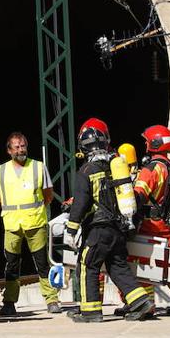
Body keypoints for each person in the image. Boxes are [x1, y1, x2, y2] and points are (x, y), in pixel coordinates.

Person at [64, 118, 154, 323]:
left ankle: (90, 311)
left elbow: (81, 203)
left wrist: (71, 229)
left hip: (98, 229)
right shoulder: (115, 167)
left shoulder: (86, 171)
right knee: (117, 266)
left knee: (88, 265)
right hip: (118, 228)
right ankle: (141, 301)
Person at [0, 132, 60, 316]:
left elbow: (48, 195)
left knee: (42, 263)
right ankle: (9, 303)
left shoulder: (38, 167)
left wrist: (35, 209)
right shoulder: (1, 171)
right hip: (12, 224)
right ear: (9, 150)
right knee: (11, 265)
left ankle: (51, 299)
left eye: (23, 146)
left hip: (35, 221)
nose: (21, 149)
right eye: (17, 147)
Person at [131, 125, 170, 312]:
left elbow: (139, 195)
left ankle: (146, 302)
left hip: (148, 223)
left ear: (155, 143)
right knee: (168, 260)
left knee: (139, 261)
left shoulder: (151, 169)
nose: (145, 143)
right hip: (165, 222)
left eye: (147, 140)